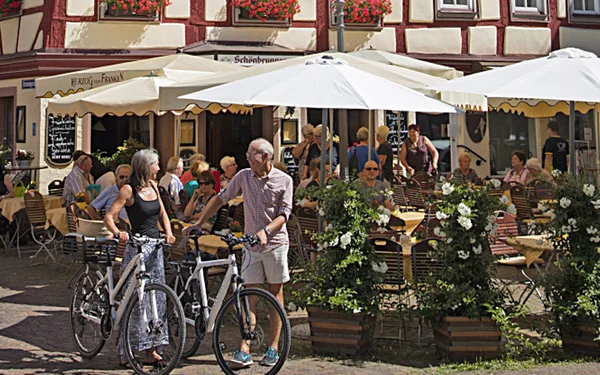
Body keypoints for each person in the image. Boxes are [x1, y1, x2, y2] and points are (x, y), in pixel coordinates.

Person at [183, 138, 293, 368]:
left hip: (276, 244)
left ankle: (273, 347)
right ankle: (245, 348)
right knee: (248, 297)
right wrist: (199, 221)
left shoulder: (285, 180)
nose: (247, 158)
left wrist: (266, 231)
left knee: (275, 295)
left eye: (251, 155)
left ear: (265, 157)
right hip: (251, 246)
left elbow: (285, 214)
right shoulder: (243, 176)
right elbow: (221, 198)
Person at [104, 149, 175, 369]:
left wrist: (169, 232)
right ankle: (127, 349)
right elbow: (109, 216)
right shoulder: (128, 190)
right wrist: (118, 232)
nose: (159, 168)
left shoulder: (154, 187)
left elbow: (162, 214)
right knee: (136, 301)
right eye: (156, 164)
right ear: (146, 166)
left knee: (156, 301)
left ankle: (152, 349)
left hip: (155, 249)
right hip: (137, 248)